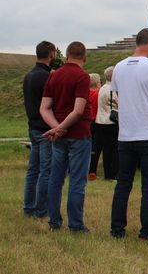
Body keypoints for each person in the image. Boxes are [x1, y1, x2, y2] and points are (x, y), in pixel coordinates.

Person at [110, 28, 148, 241]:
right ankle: (147, 232)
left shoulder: (118, 67)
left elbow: (117, 95)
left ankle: (117, 229)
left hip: (126, 134)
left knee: (123, 183)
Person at [40, 41, 93, 233]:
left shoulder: (54, 76)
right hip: (79, 134)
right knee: (77, 181)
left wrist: (56, 128)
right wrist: (61, 128)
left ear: (67, 55)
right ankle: (76, 225)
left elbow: (44, 108)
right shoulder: (81, 76)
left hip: (59, 137)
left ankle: (54, 221)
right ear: (84, 57)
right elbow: (78, 111)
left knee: (56, 179)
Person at [22, 40, 56, 219]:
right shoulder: (47, 76)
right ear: (51, 54)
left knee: (33, 170)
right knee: (46, 171)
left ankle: (28, 207)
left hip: (33, 127)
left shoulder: (29, 75)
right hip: (45, 129)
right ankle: (41, 210)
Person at [89, 66, 119, 180]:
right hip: (111, 121)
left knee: (106, 149)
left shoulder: (101, 89)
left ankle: (107, 173)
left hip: (100, 120)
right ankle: (113, 173)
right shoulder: (114, 89)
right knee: (114, 149)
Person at [87, 73, 102, 180]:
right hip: (96, 121)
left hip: (86, 121)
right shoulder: (98, 94)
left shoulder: (85, 93)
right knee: (95, 147)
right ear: (97, 84)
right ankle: (92, 170)